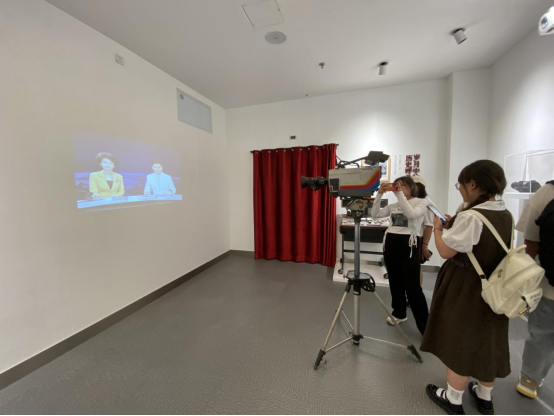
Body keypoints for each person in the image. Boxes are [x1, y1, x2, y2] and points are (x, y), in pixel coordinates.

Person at [421, 160, 512, 416]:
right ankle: (484, 397)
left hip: (467, 286)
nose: (459, 190)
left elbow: (445, 251)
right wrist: (455, 225)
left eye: (459, 185)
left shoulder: (471, 216)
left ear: (472, 184)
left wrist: (437, 229)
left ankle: (453, 398)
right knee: (488, 339)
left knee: (459, 339)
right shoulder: (504, 212)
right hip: (495, 285)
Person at [371, 176, 429, 335]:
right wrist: (379, 194)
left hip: (409, 245)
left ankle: (425, 326)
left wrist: (399, 194)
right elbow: (375, 214)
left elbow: (411, 214)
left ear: (412, 187)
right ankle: (399, 312)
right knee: (395, 280)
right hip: (391, 243)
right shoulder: (394, 205)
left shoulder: (421, 202)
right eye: (397, 185)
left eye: (403, 185)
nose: (399, 188)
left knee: (412, 286)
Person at [515, 180, 554, 400]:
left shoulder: (547, 192)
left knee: (542, 331)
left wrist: (528, 277)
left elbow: (530, 240)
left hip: (549, 282)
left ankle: (529, 380)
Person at [413, 176, 435, 286]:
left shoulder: (427, 203)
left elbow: (429, 226)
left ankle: (417, 291)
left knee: (415, 269)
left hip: (418, 239)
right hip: (410, 238)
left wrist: (424, 245)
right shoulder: (414, 200)